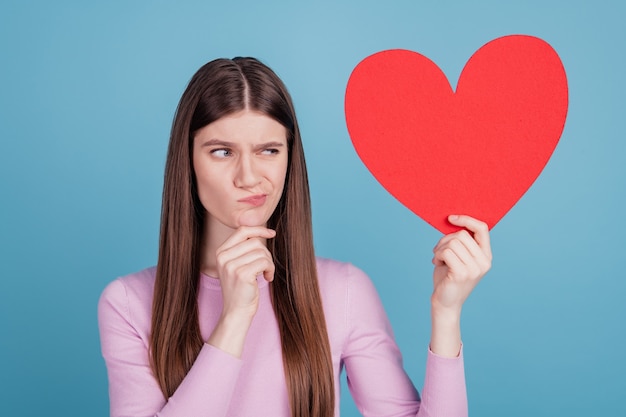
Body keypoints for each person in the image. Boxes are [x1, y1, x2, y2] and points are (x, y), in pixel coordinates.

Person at [98, 57, 492, 417]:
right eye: (222, 152)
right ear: (188, 160)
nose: (249, 177)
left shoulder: (344, 291)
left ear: (289, 158)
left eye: (268, 150)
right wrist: (234, 317)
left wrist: (446, 312)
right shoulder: (128, 304)